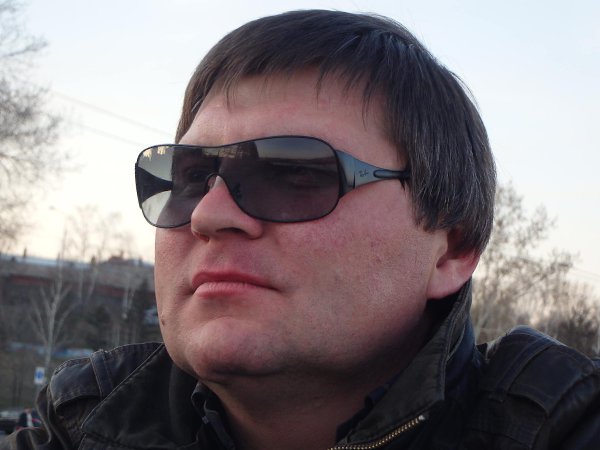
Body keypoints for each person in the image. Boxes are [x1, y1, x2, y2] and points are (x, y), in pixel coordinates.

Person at [4, 10, 599, 450]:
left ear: (452, 249)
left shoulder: (560, 427)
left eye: (293, 174)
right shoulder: (83, 426)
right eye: (190, 178)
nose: (209, 215)